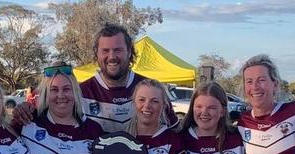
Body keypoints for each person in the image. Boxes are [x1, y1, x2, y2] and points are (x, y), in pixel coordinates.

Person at [11, 23, 176, 132]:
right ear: (96, 54)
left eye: (118, 50)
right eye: (105, 50)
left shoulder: (153, 91)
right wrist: (26, 108)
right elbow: (45, 112)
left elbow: (177, 133)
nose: (112, 57)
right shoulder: (80, 93)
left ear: (130, 52)